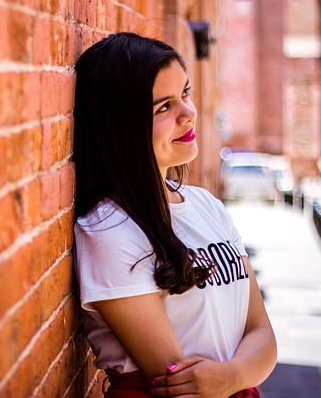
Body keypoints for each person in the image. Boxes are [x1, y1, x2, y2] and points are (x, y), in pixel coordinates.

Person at [72, 32, 276, 398]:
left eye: (185, 93)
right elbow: (178, 384)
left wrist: (231, 376)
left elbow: (262, 334)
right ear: (122, 127)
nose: (189, 113)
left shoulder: (207, 206)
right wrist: (235, 375)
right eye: (163, 107)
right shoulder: (109, 229)